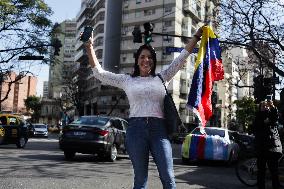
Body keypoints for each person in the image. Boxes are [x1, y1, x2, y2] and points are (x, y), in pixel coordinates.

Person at [83, 26, 203, 189]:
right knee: (140, 179)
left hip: (159, 131)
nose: (146, 60)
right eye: (142, 57)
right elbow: (99, 73)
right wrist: (89, 46)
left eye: (149, 57)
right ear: (137, 60)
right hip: (136, 130)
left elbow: (182, 58)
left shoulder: (163, 77)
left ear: (153, 61)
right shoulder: (127, 80)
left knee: (168, 177)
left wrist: (196, 36)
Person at [252, 99, 283, 189]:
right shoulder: (258, 117)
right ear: (260, 108)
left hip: (271, 148)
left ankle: (276, 185)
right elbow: (255, 127)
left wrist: (273, 107)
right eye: (263, 106)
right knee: (261, 171)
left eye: (267, 106)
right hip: (261, 148)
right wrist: (262, 122)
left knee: (274, 170)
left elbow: (275, 117)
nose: (265, 107)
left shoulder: (272, 116)